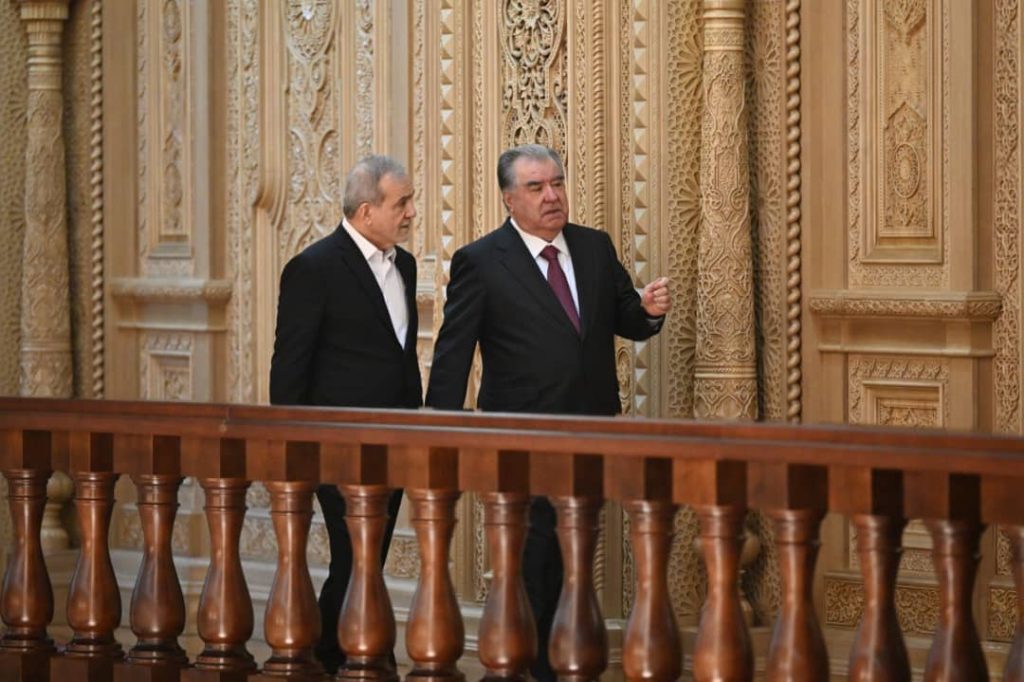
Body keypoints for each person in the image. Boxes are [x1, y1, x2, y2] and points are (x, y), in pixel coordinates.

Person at [426, 143, 671, 681]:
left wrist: (648, 311)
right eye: (535, 187)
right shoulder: (481, 260)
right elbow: (454, 350)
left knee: (575, 553)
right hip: (521, 437)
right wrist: (439, 427)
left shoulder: (593, 246)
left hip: (589, 432)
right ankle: (529, 667)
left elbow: (624, 317)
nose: (551, 196)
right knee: (532, 558)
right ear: (509, 199)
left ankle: (565, 664)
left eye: (557, 183)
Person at [269, 155, 420, 674]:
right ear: (365, 211)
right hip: (337, 448)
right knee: (355, 558)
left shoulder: (405, 265)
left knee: (366, 559)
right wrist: (296, 451)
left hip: (396, 442)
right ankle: (348, 658)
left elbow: (399, 357)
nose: (410, 212)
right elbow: (289, 369)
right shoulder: (313, 268)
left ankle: (343, 655)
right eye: (401, 203)